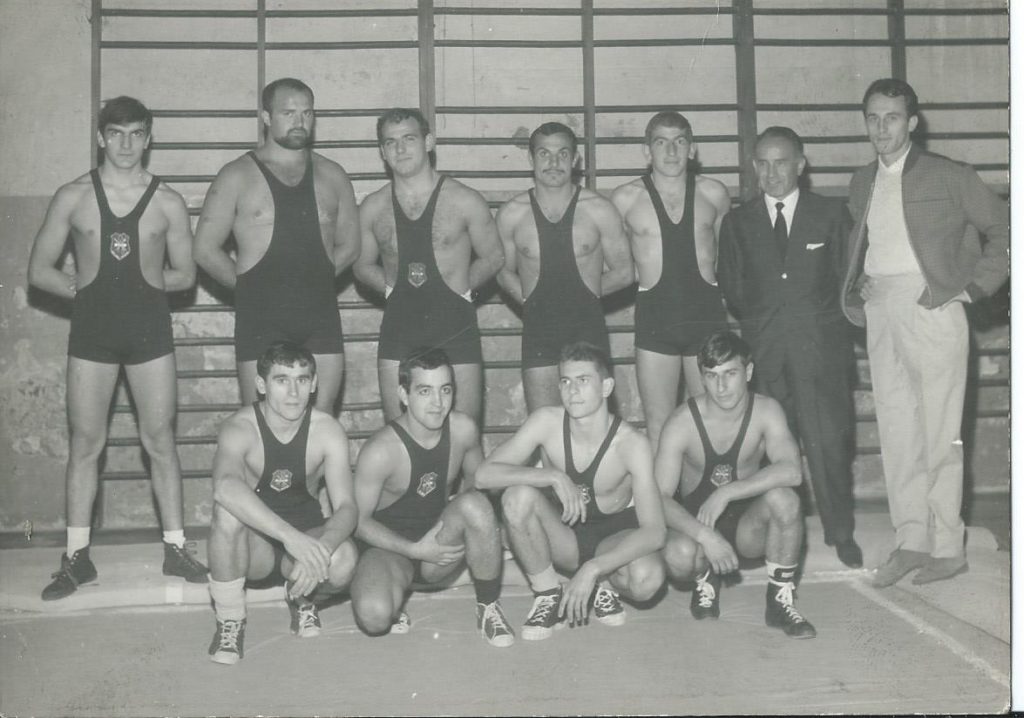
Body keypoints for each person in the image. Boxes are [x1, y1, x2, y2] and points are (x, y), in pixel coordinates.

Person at [28, 95, 207, 601]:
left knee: (160, 441)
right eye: (117, 134)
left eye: (137, 134)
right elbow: (39, 270)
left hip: (150, 331)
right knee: (86, 445)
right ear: (101, 137)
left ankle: (175, 547)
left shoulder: (168, 201)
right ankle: (77, 558)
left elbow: (186, 275)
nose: (127, 144)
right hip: (92, 333)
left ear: (149, 138)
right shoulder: (73, 196)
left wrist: (149, 285)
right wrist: (85, 293)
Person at [840, 79, 1009, 587]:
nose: (881, 128)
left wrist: (972, 290)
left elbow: (1006, 229)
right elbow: (869, 240)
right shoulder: (861, 180)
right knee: (897, 431)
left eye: (892, 117)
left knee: (942, 436)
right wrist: (864, 281)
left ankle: (947, 546)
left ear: (913, 122)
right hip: (882, 307)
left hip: (933, 304)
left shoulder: (950, 176)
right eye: (873, 117)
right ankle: (911, 541)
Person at [717, 126, 862, 568]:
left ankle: (841, 533)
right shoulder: (738, 222)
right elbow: (733, 288)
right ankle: (771, 535)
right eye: (762, 163)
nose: (772, 172)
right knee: (767, 454)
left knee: (829, 447)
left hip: (822, 355)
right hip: (764, 357)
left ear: (801, 164)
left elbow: (848, 283)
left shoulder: (832, 215)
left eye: (781, 162)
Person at [476, 341, 665, 640]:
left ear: (606, 387)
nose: (571, 390)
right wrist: (551, 476)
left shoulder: (631, 445)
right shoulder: (546, 423)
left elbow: (655, 532)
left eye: (582, 381)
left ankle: (603, 584)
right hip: (565, 535)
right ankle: (548, 593)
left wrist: (593, 568)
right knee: (517, 496)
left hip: (612, 540)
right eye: (565, 381)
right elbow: (483, 475)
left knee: (647, 579)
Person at [193, 77, 359, 414]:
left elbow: (351, 245)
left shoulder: (333, 175)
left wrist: (317, 281)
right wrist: (250, 289)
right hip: (261, 318)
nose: (300, 122)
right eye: (289, 113)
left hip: (319, 315)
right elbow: (205, 249)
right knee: (261, 429)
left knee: (321, 425)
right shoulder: (236, 175)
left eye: (307, 113)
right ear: (267, 117)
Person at [350, 347, 514, 648]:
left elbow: (478, 483)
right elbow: (357, 522)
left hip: (438, 544)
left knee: (476, 506)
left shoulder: (463, 429)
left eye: (445, 390)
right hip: (390, 550)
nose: (438, 403)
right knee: (374, 618)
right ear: (403, 394)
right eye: (425, 391)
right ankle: (394, 591)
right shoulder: (381, 450)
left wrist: (469, 526)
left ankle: (488, 606)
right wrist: (413, 550)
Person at [206, 342, 359, 665]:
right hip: (256, 547)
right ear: (261, 385)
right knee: (226, 513)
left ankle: (302, 599)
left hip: (304, 544)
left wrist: (322, 547)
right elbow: (224, 487)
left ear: (314, 384)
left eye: (302, 380)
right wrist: (292, 538)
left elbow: (347, 507)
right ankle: (230, 620)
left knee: (344, 558)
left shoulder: (327, 431)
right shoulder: (240, 427)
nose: (293, 392)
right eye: (281, 380)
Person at [656, 331, 816, 639]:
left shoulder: (767, 411)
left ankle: (779, 601)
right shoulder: (682, 422)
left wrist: (728, 492)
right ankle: (705, 577)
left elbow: (792, 471)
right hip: (698, 527)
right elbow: (659, 498)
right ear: (701, 378)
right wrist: (705, 536)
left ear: (749, 372)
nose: (721, 386)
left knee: (785, 498)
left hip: (747, 529)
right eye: (711, 376)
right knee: (677, 555)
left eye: (730, 374)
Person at [354, 108, 504, 424]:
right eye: (390, 142)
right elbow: (361, 265)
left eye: (409, 139)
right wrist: (393, 287)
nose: (400, 149)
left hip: (454, 324)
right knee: (400, 435)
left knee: (464, 435)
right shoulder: (372, 207)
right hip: (399, 328)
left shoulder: (465, 200)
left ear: (429, 142)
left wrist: (460, 288)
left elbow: (494, 257)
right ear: (382, 151)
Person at [612, 111, 732, 454]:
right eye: (661, 143)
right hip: (656, 320)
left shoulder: (715, 194)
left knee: (711, 420)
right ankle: (662, 507)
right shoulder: (624, 199)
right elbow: (618, 266)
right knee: (659, 425)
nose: (671, 151)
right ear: (646, 150)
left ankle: (707, 504)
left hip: (706, 317)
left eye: (679, 142)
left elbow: (726, 257)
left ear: (692, 149)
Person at [495, 122, 633, 411]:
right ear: (531, 160)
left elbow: (624, 272)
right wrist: (528, 297)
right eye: (544, 154)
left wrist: (583, 294)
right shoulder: (511, 214)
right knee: (545, 425)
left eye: (562, 154)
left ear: (575, 159)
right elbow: (500, 269)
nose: (553, 162)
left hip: (587, 328)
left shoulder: (599, 209)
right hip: (539, 332)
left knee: (593, 426)